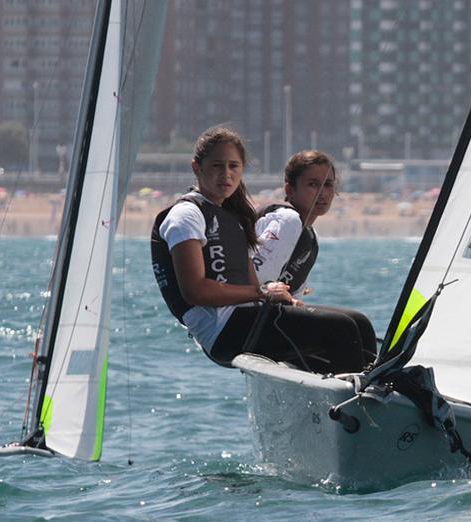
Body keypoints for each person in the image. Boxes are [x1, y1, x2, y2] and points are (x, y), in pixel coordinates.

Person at [150, 127, 369, 374]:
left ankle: (378, 392)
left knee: (358, 323)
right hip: (223, 331)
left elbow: (252, 280)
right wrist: (262, 293)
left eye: (234, 166)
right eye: (217, 166)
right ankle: (356, 405)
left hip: (246, 319)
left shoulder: (231, 216)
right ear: (196, 168)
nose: (226, 174)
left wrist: (279, 299)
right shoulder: (186, 215)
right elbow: (195, 291)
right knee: (342, 330)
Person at [252, 150, 377, 365]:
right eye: (313, 184)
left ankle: (372, 386)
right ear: (290, 189)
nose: (323, 193)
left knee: (359, 323)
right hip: (250, 320)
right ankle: (354, 393)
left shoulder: (310, 237)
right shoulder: (287, 220)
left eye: (328, 185)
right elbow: (253, 280)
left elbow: (293, 298)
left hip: (274, 320)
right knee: (343, 328)